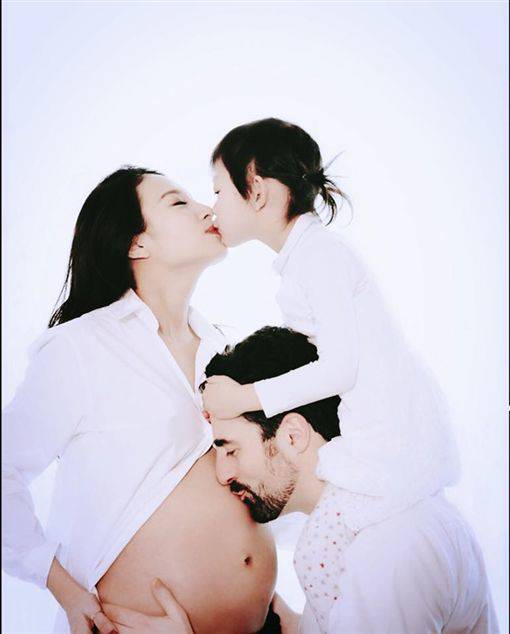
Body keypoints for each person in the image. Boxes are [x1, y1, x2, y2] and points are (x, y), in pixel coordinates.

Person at [2, 167, 278, 633]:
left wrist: (275, 605)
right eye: (178, 202)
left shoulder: (221, 351)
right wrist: (65, 590)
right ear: (136, 244)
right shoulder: (80, 347)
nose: (207, 209)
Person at [202, 117, 460, 516]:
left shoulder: (320, 256)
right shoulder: (305, 260)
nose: (213, 207)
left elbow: (338, 369)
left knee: (326, 539)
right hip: (374, 437)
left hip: (389, 441)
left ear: (256, 190)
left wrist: (242, 398)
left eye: (219, 191)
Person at [205, 326, 498, 633]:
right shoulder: (349, 535)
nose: (223, 474)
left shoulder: (390, 544)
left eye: (231, 450)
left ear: (293, 436)